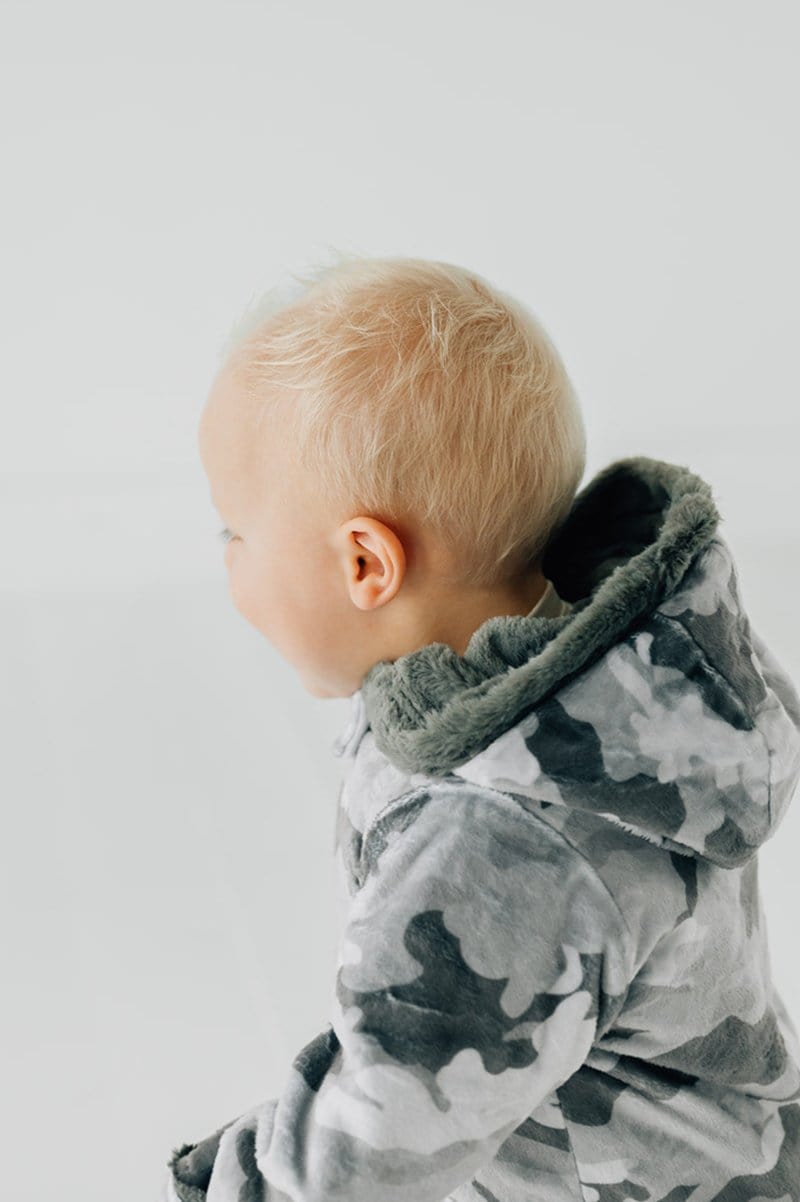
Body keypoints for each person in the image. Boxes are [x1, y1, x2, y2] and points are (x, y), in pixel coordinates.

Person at [164, 254, 800, 1201]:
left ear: (366, 566)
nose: (227, 563)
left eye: (235, 535)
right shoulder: (569, 695)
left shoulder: (505, 842)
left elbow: (376, 1143)